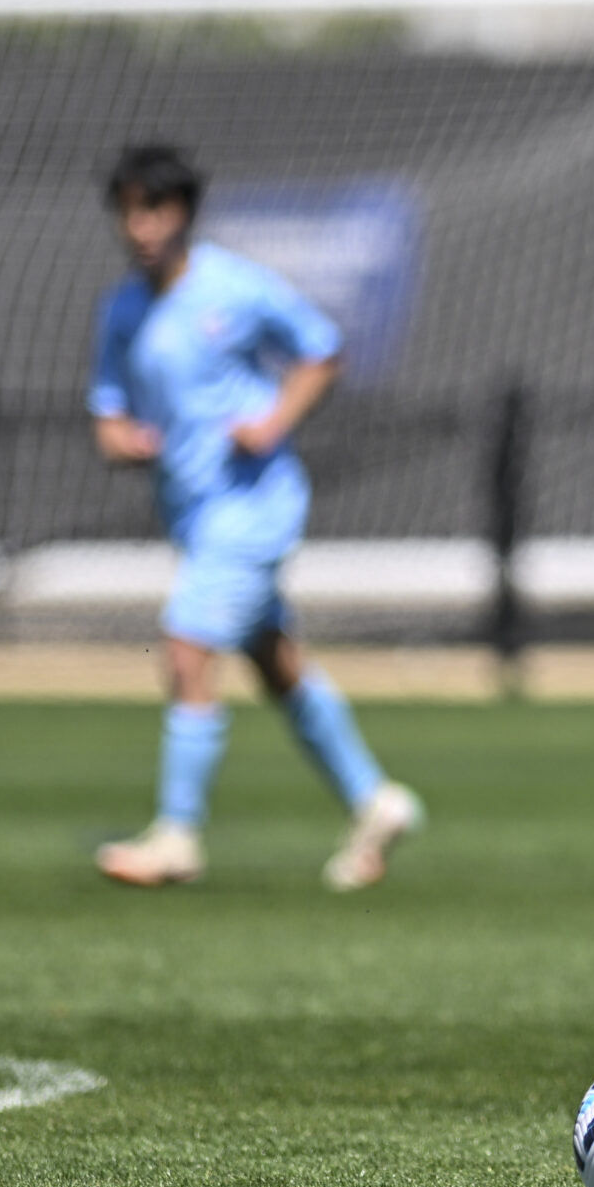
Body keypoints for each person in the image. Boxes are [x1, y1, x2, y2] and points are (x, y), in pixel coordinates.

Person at [85, 144, 424, 891]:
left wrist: (273, 420)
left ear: (185, 214)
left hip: (253, 505)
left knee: (184, 646)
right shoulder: (123, 311)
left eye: (157, 209)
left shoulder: (232, 287)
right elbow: (106, 413)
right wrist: (125, 442)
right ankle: (375, 800)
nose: (142, 226)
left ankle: (178, 832)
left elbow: (322, 350)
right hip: (194, 514)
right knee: (276, 663)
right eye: (131, 210)